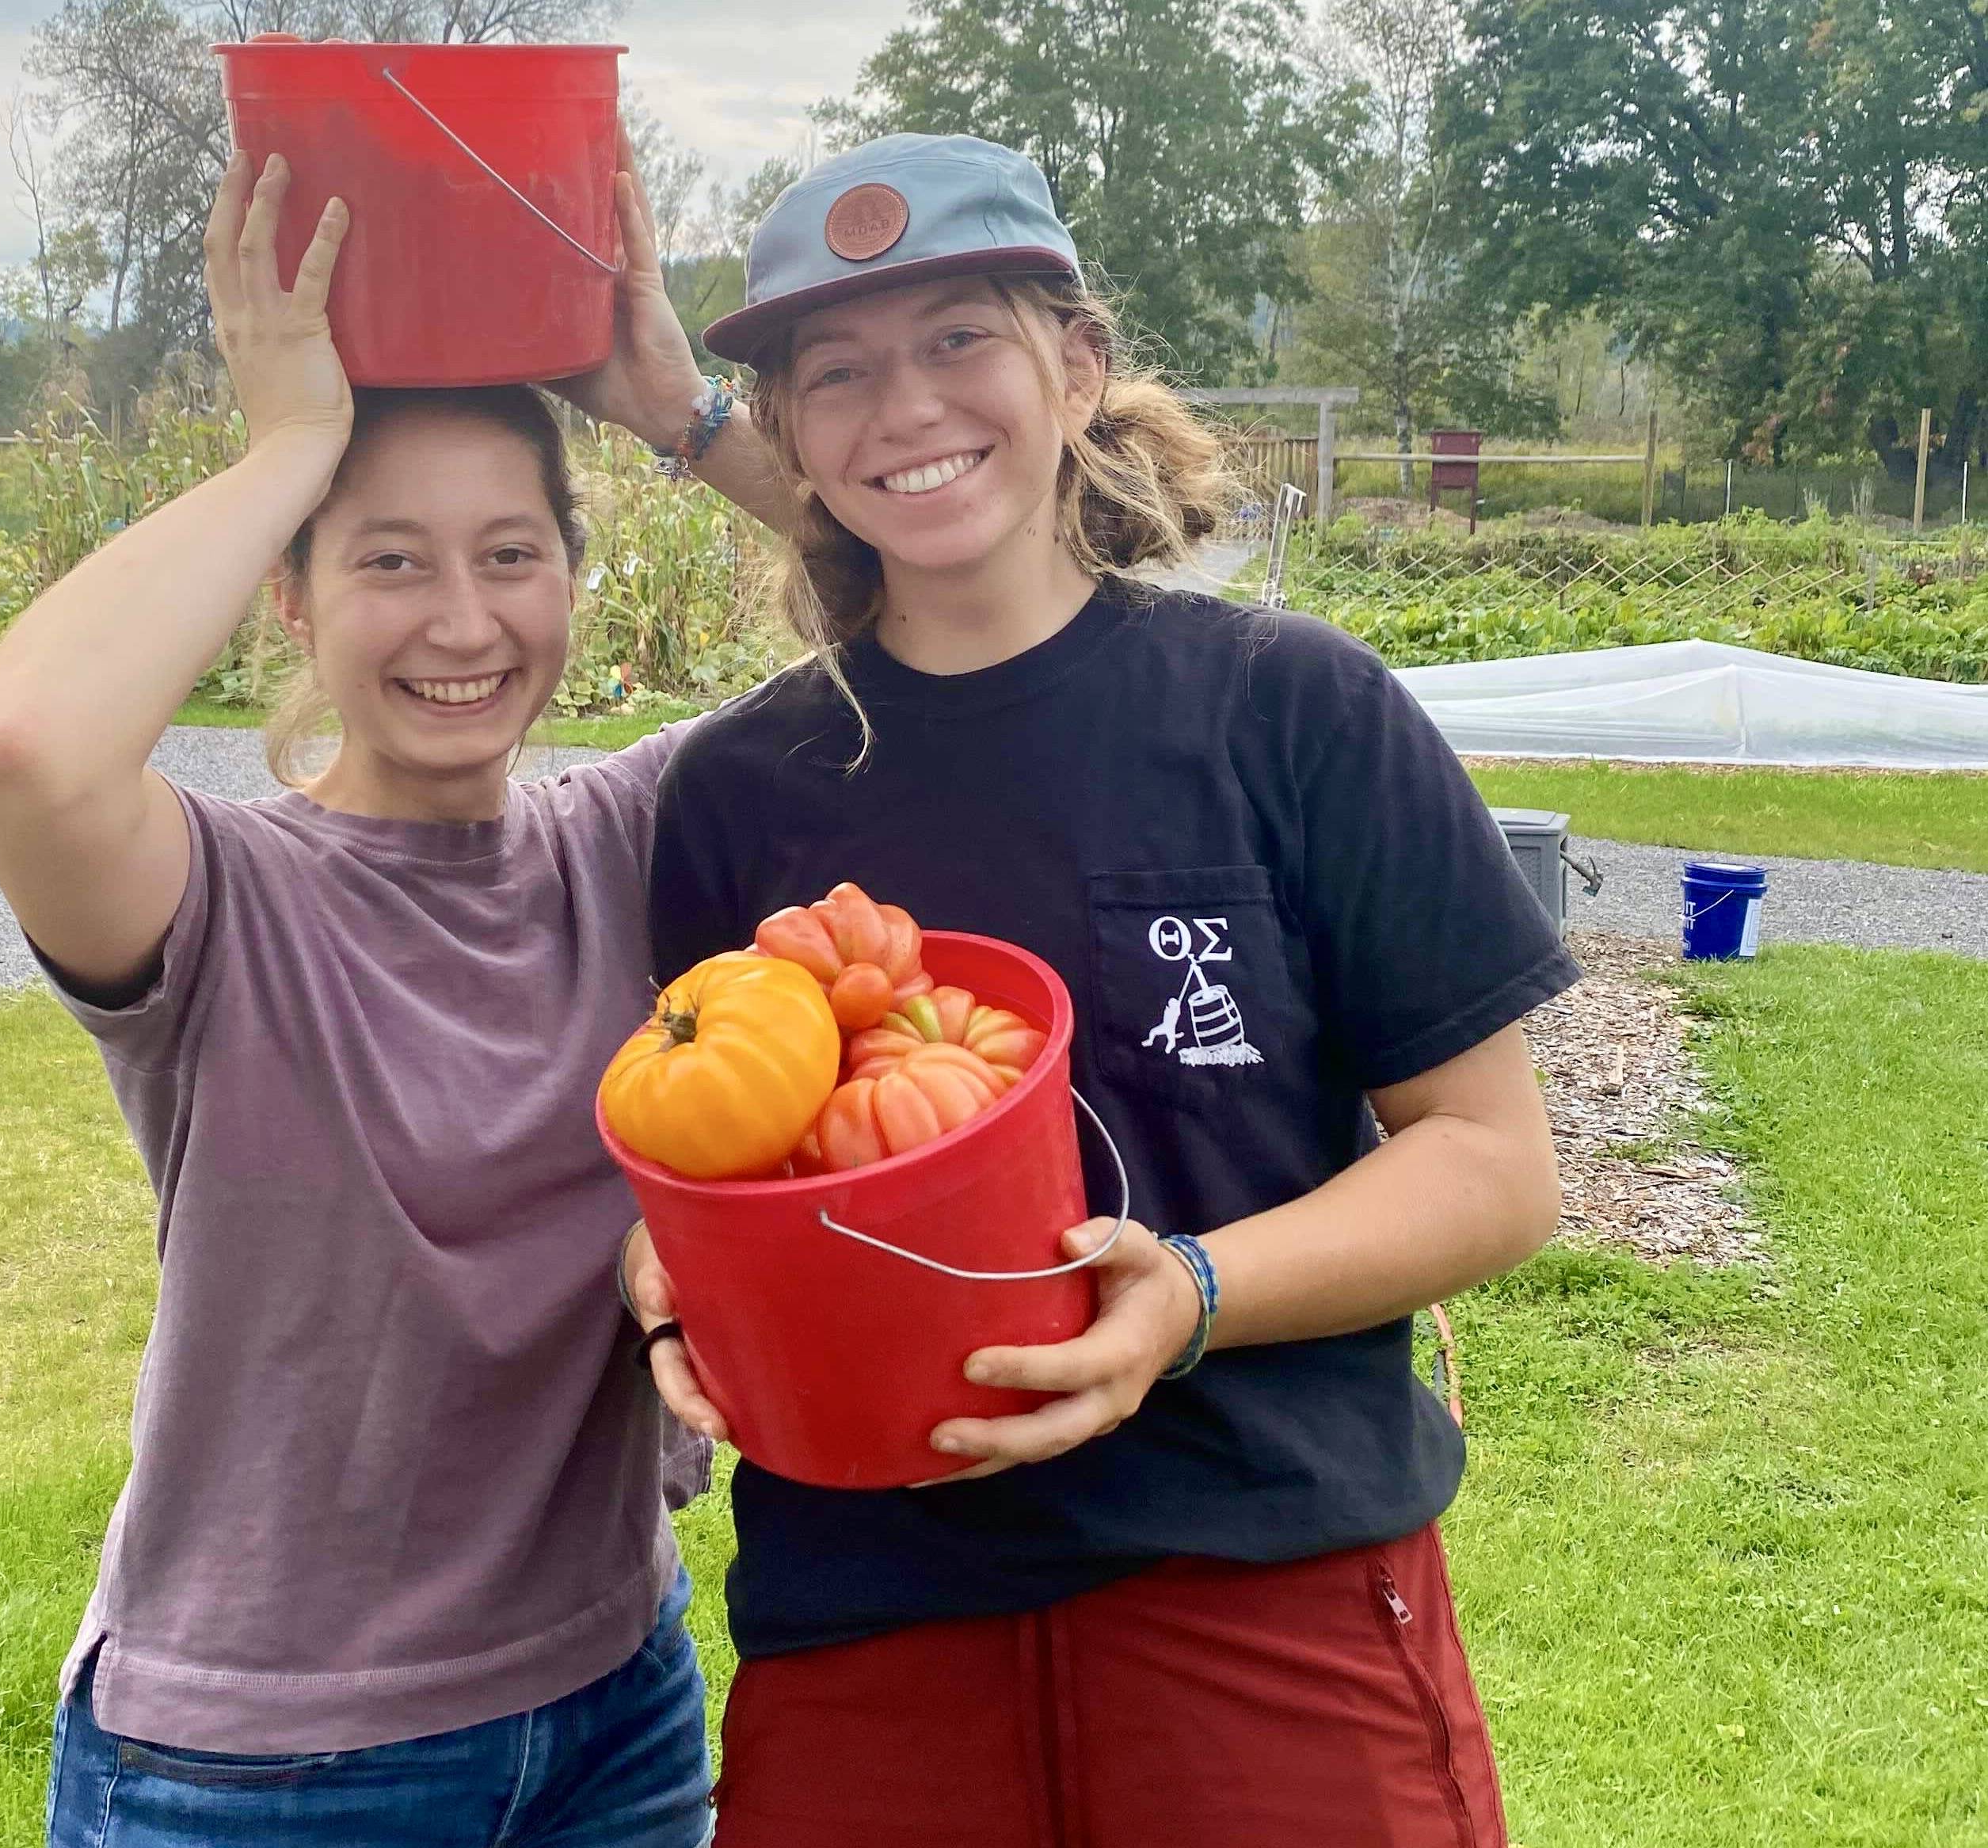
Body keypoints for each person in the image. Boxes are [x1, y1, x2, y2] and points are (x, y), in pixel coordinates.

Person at [626, 132, 1579, 1847]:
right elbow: (717, 1169)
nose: (902, 409)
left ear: (1073, 365)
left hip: (1265, 1576)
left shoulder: (1294, 713)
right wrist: (669, 1288)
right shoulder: (746, 790)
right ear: (786, 434)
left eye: (958, 341)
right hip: (874, 1618)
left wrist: (1191, 1294)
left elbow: (1493, 1164)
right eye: (834, 372)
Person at [0, 145, 779, 1848]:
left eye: (510, 555)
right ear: (294, 595)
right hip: (257, 1763)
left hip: (614, 1709)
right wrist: (291, 444)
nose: (462, 621)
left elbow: (940, 593)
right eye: (388, 563)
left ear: (570, 575)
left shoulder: (629, 838)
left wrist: (676, 409)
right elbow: (27, 749)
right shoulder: (221, 902)